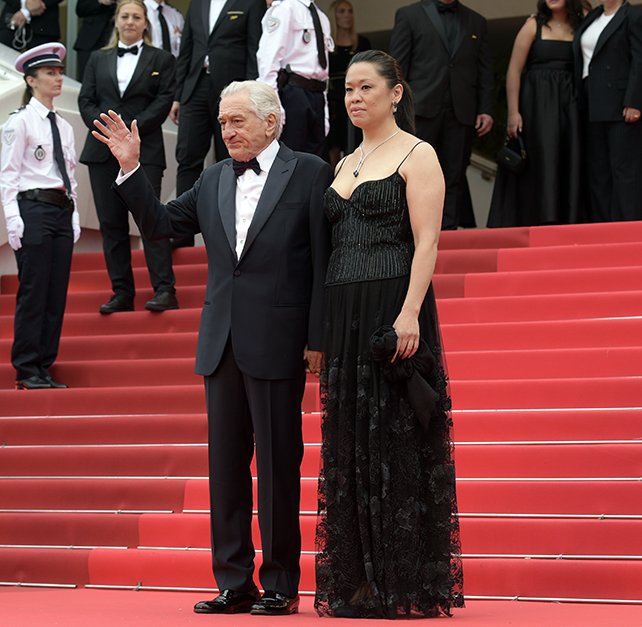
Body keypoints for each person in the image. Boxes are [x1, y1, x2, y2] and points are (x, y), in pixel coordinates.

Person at [93, 80, 331, 615]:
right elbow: (161, 225)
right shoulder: (214, 177)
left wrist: (318, 339)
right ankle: (234, 582)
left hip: (279, 341)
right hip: (220, 343)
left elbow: (323, 260)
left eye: (236, 121)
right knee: (224, 469)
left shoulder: (311, 172)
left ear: (271, 122)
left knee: (278, 467)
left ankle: (280, 584)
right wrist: (130, 168)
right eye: (222, 122)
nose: (226, 131)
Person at [314, 51, 464, 618]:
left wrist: (409, 313)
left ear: (395, 93)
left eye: (366, 87)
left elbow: (427, 242)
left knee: (394, 437)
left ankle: (402, 580)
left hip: (392, 307)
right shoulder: (342, 162)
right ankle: (358, 580)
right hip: (344, 315)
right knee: (350, 440)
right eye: (348, 89)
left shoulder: (417, 154)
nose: (354, 98)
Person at [78, 0, 179, 314]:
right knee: (111, 224)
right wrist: (111, 132)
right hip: (102, 150)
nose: (130, 21)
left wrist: (129, 132)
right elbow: (86, 100)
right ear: (116, 20)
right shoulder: (97, 58)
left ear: (146, 23)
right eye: (125, 16)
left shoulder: (162, 59)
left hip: (144, 149)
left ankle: (165, 290)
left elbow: (163, 101)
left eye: (137, 16)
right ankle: (122, 293)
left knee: (151, 219)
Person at [0, 43, 81, 389]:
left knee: (56, 292)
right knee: (34, 290)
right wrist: (12, 217)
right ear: (31, 80)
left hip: (61, 210)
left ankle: (44, 364)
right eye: (50, 73)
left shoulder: (64, 126)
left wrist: (74, 211)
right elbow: (7, 175)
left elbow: (70, 174)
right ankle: (26, 367)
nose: (58, 78)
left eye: (59, 72)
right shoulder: (20, 122)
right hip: (32, 209)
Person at [168, 0, 266, 248]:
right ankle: (182, 235)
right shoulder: (197, 4)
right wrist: (178, 96)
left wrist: (251, 98)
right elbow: (186, 49)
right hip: (195, 87)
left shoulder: (250, 2)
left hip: (234, 91)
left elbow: (255, 49)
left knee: (234, 159)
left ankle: (232, 233)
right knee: (187, 158)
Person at [390, 0, 494, 230]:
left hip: (461, 109)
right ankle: (412, 231)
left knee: (455, 174)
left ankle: (448, 233)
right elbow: (397, 68)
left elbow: (485, 69)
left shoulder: (476, 21)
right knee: (414, 172)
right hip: (420, 108)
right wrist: (396, 107)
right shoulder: (409, 15)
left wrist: (486, 109)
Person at [488, 0, 585, 227]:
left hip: (571, 107)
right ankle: (538, 220)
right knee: (541, 160)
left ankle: (566, 223)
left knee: (569, 160)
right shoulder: (533, 25)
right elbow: (514, 70)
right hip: (536, 107)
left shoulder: (582, 25)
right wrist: (513, 112)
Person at [574, 0, 642, 222]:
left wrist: (635, 101)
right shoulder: (592, 17)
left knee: (624, 171)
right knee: (598, 173)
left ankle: (628, 229)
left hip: (621, 104)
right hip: (592, 102)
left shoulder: (633, 16)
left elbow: (640, 60)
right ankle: (602, 229)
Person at [257, 0, 334, 156]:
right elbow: (268, 59)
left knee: (315, 160)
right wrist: (273, 105)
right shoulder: (285, 8)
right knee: (290, 157)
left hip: (317, 94)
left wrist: (324, 111)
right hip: (294, 91)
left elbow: (323, 70)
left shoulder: (322, 17)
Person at [325, 0, 371, 167]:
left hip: (356, 94)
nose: (347, 16)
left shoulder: (362, 42)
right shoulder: (327, 43)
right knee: (333, 141)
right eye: (342, 11)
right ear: (334, 15)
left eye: (350, 11)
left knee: (354, 138)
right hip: (333, 98)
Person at [0, 0, 64, 52]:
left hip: (45, 25)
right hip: (12, 22)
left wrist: (29, 8)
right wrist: (24, 2)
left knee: (43, 64)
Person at [74, 0, 117, 80]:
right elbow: (80, 9)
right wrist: (99, 1)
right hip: (90, 39)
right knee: (86, 78)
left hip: (116, 37)